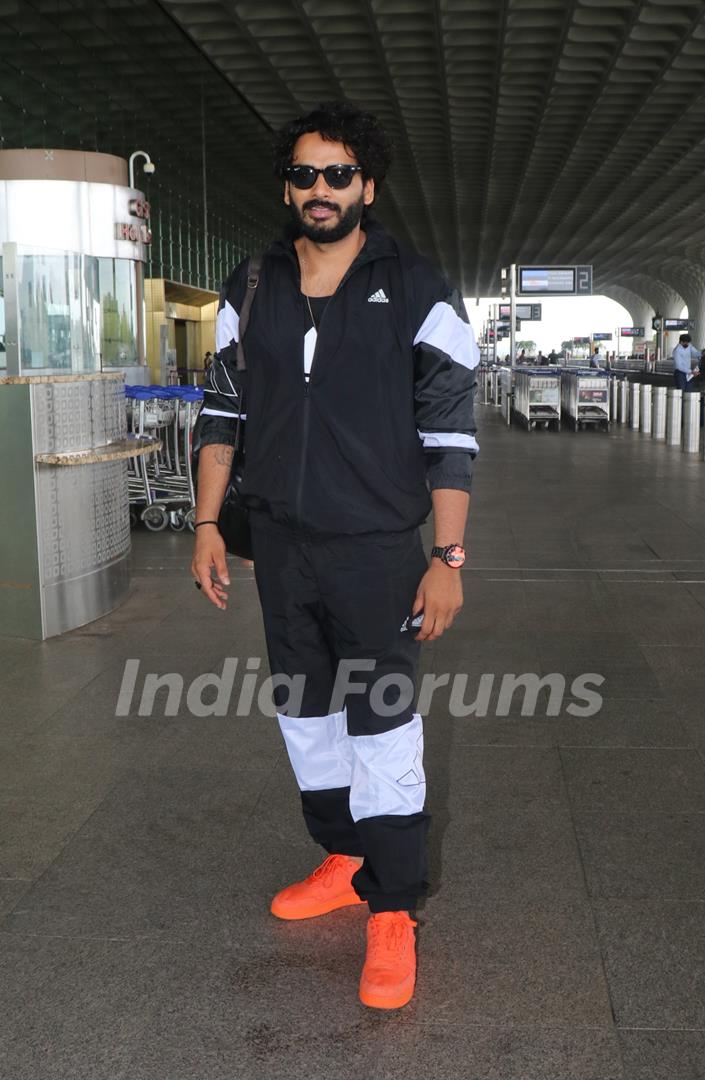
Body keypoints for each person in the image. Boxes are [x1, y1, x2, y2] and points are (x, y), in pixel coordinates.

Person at [190, 101, 478, 1010]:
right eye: (307, 175)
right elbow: (222, 413)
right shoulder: (252, 284)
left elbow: (452, 432)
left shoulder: (420, 288)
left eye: (339, 174)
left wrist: (449, 555)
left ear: (367, 186)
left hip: (377, 549)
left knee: (382, 722)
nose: (322, 190)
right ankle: (346, 859)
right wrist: (205, 525)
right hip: (279, 543)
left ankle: (393, 909)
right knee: (306, 716)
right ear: (289, 186)